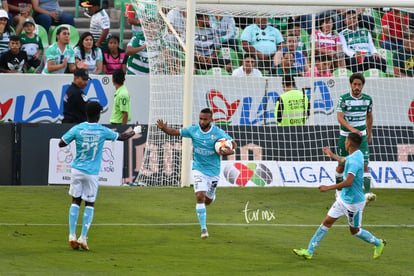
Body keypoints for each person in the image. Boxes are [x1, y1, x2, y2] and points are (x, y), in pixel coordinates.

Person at [59, 101, 142, 250]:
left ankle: (72, 234)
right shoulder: (102, 130)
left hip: (77, 169)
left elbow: (61, 143)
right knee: (89, 203)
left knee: (75, 200)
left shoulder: (78, 128)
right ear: (98, 115)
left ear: (86, 114)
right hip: (92, 173)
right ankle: (83, 237)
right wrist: (135, 131)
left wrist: (76, 141)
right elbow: (121, 137)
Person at [293, 133, 386, 260]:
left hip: (353, 203)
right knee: (327, 222)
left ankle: (378, 243)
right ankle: (309, 251)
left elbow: (348, 182)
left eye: (346, 141)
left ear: (349, 143)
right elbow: (344, 160)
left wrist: (328, 187)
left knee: (355, 231)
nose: (345, 142)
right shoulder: (357, 154)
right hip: (343, 199)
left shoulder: (354, 161)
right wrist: (332, 155)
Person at [157, 108, 237, 239]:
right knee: (200, 196)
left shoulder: (218, 133)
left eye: (205, 119)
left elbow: (234, 144)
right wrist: (164, 128)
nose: (202, 121)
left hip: (213, 171)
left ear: (211, 120)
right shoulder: (194, 130)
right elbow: (175, 132)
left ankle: (211, 196)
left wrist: (229, 151)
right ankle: (204, 229)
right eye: (200, 118)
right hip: (198, 169)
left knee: (208, 200)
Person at [335, 73, 375, 203]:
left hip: (361, 137)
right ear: (351, 85)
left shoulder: (368, 99)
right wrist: (352, 130)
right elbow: (340, 118)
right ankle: (339, 192)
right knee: (341, 166)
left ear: (362, 86)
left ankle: (367, 194)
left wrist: (369, 133)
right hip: (346, 137)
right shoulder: (344, 99)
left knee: (364, 165)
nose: (357, 87)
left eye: (359, 85)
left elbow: (369, 116)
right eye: (355, 84)